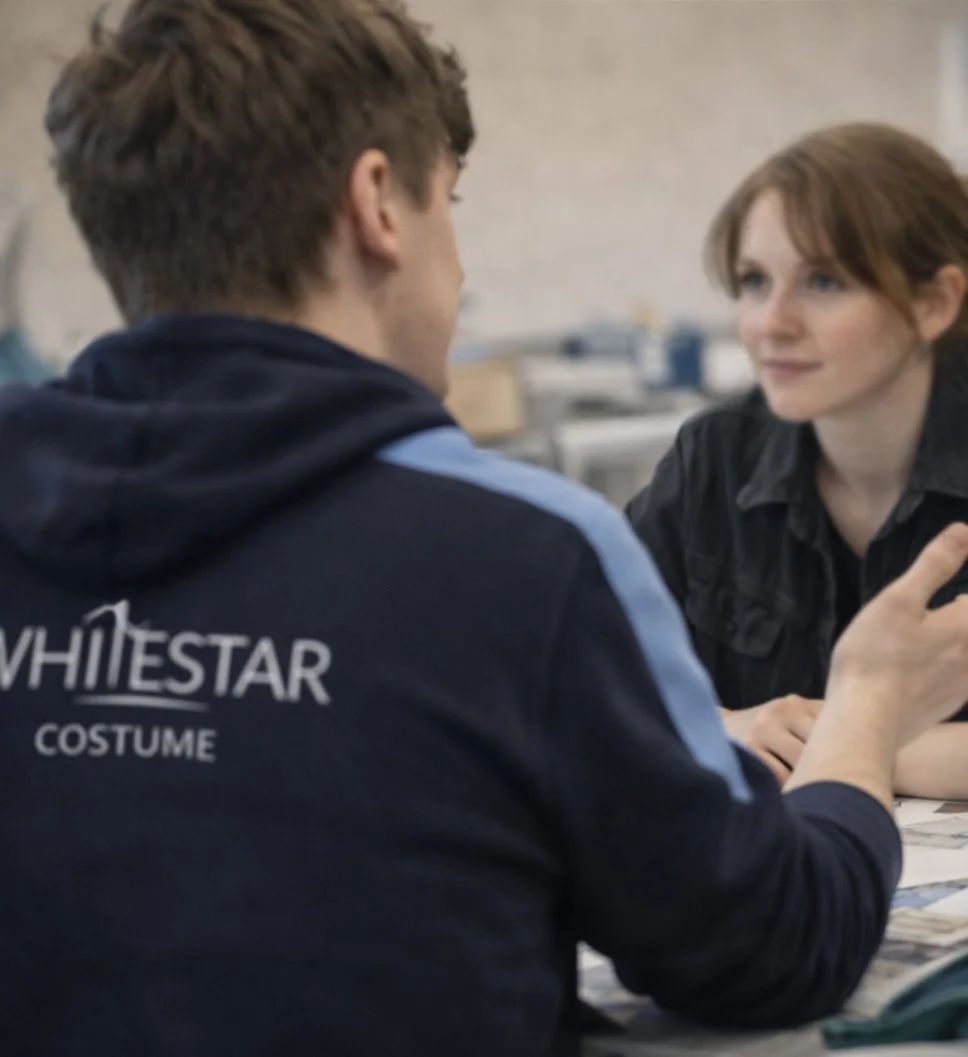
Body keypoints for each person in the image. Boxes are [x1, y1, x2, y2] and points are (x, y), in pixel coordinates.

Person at [4, 6, 968, 1054]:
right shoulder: (523, 555)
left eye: (822, 280)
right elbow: (768, 945)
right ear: (379, 205)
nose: (771, 321)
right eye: (449, 204)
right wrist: (866, 702)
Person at [627, 123, 968, 798]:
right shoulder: (714, 460)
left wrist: (848, 741)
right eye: (755, 281)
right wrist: (726, 727)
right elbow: (587, 684)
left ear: (934, 302)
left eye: (824, 281)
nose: (771, 323)